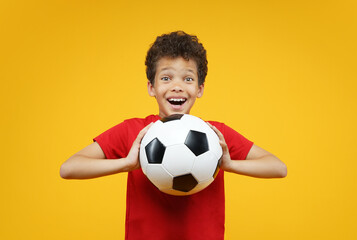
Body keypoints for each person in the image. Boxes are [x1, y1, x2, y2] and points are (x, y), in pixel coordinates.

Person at [60, 31, 287, 240]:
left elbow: (278, 167)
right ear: (152, 87)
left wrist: (227, 163)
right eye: (166, 78)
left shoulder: (215, 135)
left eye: (188, 79)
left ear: (199, 89)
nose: (177, 86)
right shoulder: (134, 131)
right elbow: (69, 168)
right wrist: (127, 163)